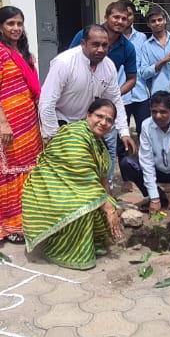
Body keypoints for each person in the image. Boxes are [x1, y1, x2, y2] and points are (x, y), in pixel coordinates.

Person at [23, 99, 124, 270]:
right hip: (48, 190)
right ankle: (60, 250)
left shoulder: (97, 141)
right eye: (99, 116)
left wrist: (111, 204)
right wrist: (108, 208)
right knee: (84, 205)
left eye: (109, 120)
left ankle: (88, 241)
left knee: (103, 203)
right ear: (88, 115)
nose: (103, 122)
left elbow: (102, 178)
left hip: (72, 187)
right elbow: (84, 179)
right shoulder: (75, 134)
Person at [0, 6, 42, 245]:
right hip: (6, 126)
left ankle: (28, 221)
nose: (16, 28)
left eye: (19, 24)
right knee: (8, 172)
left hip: (28, 124)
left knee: (29, 170)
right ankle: (8, 226)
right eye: (10, 24)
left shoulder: (24, 53)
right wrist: (3, 123)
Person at [69, 0, 140, 177]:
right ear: (106, 17)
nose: (120, 21)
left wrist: (110, 96)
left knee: (108, 146)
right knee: (79, 150)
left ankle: (106, 189)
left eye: (124, 18)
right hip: (78, 104)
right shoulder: (85, 35)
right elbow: (70, 62)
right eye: (116, 17)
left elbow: (132, 78)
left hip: (105, 105)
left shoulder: (127, 47)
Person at [38, 24, 136, 152]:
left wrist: (124, 132)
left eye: (105, 45)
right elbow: (46, 103)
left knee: (99, 165)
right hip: (62, 125)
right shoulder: (64, 62)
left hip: (87, 128)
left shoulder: (108, 66)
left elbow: (114, 100)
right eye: (95, 44)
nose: (101, 50)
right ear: (83, 43)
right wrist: (55, 137)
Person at [120, 91, 170, 216]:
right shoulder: (147, 126)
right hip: (158, 171)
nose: (158, 116)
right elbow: (147, 162)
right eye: (154, 112)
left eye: (163, 112)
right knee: (127, 163)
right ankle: (159, 196)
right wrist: (154, 198)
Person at [136, 5, 170, 97]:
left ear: (165, 20)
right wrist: (163, 61)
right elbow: (144, 73)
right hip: (159, 94)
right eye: (153, 21)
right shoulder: (146, 46)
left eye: (160, 20)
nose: (157, 23)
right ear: (148, 24)